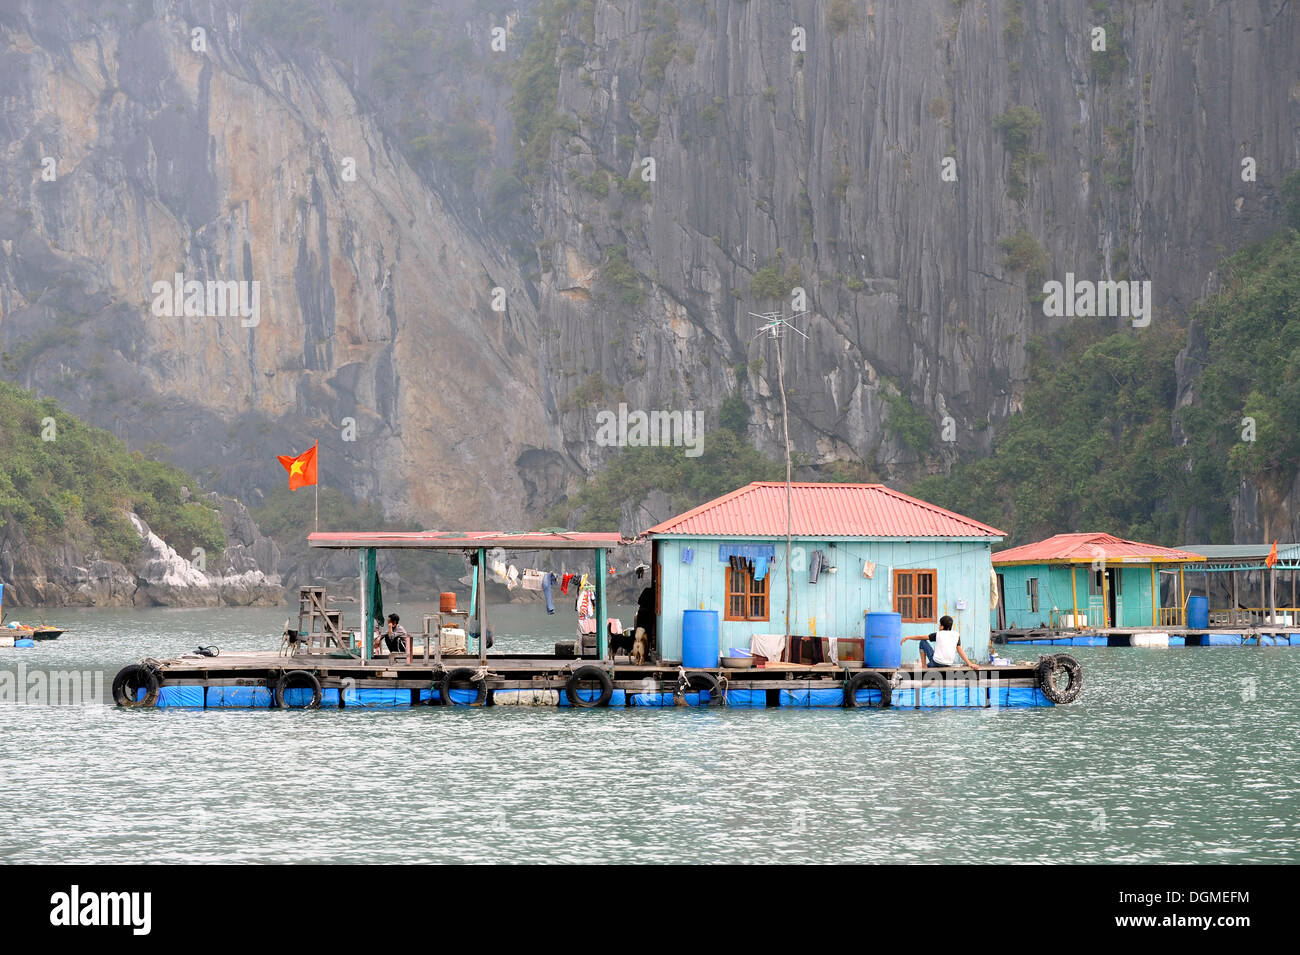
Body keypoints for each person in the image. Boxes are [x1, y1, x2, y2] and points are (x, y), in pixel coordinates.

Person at [900, 614, 978, 669]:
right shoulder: (956, 635)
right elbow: (960, 650)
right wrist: (969, 663)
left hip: (936, 663)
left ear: (942, 626)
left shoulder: (938, 634)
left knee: (922, 642)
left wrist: (908, 637)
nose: (938, 626)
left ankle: (924, 666)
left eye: (939, 624)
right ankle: (927, 665)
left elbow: (921, 637)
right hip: (948, 664)